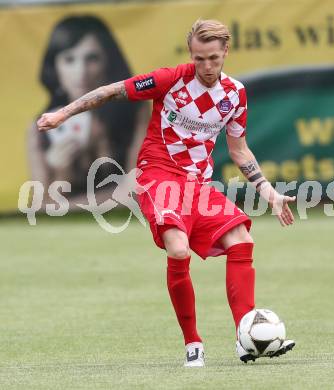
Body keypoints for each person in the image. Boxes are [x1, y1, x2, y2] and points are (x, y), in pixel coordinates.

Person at [37, 19, 296, 367]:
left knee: (241, 239)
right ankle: (193, 344)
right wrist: (63, 114)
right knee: (178, 247)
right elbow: (111, 91)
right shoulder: (170, 79)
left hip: (197, 185)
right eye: (200, 58)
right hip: (158, 176)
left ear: (225, 53)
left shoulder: (235, 93)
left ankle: (246, 335)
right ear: (191, 53)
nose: (206, 66)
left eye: (214, 58)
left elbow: (239, 150)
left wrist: (268, 192)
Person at [28, 15, 149, 207]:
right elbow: (41, 207)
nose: (81, 72)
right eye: (69, 59)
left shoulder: (136, 111)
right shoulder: (41, 127)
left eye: (91, 58)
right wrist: (61, 171)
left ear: (108, 63)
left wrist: (103, 145)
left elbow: (135, 192)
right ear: (55, 67)